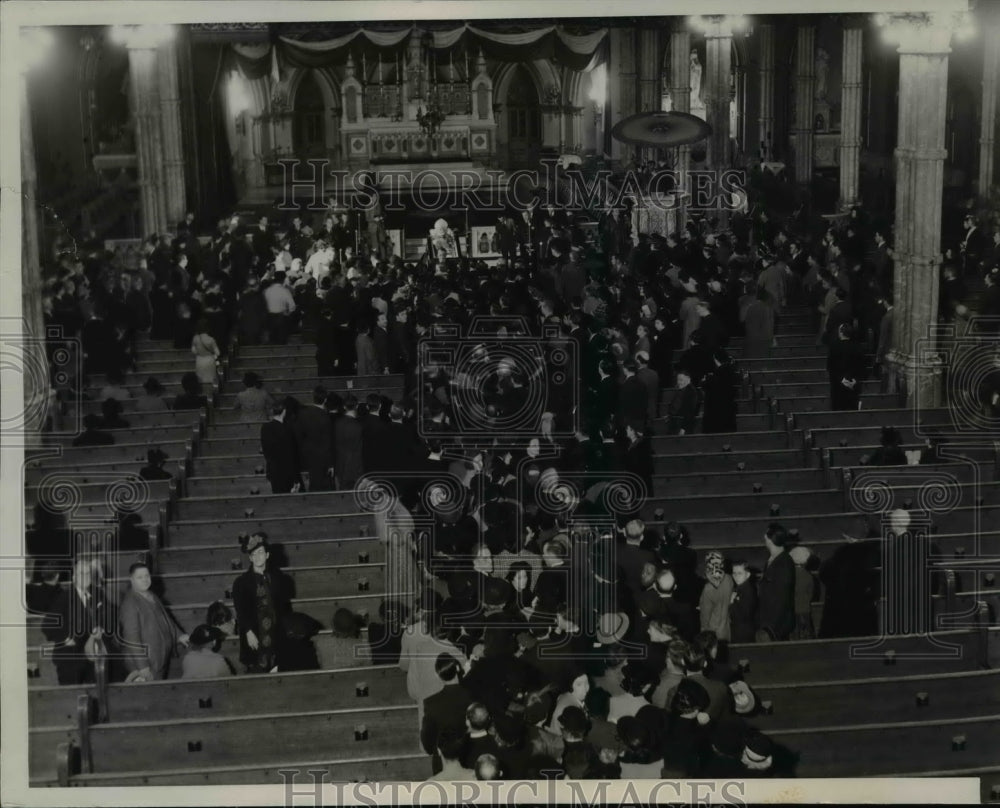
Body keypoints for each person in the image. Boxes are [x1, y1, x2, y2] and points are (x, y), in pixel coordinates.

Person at [41, 555, 112, 685]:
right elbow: (47, 626)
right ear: (74, 578)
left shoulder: (97, 593)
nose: (85, 576)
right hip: (70, 658)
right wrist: (66, 638)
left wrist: (100, 628)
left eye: (88, 573)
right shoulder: (63, 597)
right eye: (81, 573)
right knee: (73, 698)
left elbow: (107, 615)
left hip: (93, 656)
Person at [119, 561, 189, 681]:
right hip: (147, 665)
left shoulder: (151, 595)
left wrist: (179, 636)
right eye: (140, 577)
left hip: (159, 658)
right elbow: (132, 638)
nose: (145, 580)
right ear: (132, 580)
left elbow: (166, 619)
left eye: (147, 576)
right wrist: (143, 667)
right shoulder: (130, 604)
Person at [231, 533, 290, 673]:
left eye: (261, 552)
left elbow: (283, 607)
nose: (258, 556)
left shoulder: (277, 578)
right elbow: (241, 610)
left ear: (267, 555)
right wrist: (248, 631)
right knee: (257, 670)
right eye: (254, 554)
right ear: (250, 558)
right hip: (255, 633)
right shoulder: (241, 582)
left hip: (275, 631)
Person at [421, 654, 473, 774]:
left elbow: (427, 743)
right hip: (469, 758)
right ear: (458, 668)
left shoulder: (430, 703)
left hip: (443, 764)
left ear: (438, 675)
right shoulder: (472, 696)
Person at [756, 524, 795, 642]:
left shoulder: (784, 563)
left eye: (767, 534)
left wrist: (771, 628)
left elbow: (782, 599)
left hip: (775, 625)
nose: (764, 536)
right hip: (769, 620)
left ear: (772, 539)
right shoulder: (774, 558)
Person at [293, 386, 334, 492]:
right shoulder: (325, 417)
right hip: (322, 456)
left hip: (307, 453)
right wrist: (330, 463)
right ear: (325, 400)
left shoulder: (303, 413)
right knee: (322, 485)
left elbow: (298, 435)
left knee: (314, 483)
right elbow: (327, 442)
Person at [261, 402, 301, 494]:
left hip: (273, 470)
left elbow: (266, 451)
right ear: (284, 412)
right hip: (287, 472)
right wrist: (296, 478)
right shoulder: (288, 429)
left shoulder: (265, 427)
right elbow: (292, 454)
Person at [827, 323, 866, 411]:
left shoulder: (834, 347)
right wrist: (854, 381)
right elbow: (862, 367)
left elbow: (830, 366)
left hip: (837, 385)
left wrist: (841, 380)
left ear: (841, 333)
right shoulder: (858, 347)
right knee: (852, 410)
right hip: (853, 384)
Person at [701, 350, 738, 433]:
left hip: (716, 411)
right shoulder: (731, 371)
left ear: (716, 360)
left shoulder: (718, 373)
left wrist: (704, 381)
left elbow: (710, 387)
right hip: (728, 409)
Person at [666, 371, 699, 435]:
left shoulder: (690, 391)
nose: (678, 382)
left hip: (682, 425)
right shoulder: (683, 389)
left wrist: (683, 428)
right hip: (677, 423)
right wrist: (670, 414)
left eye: (681, 380)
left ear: (688, 379)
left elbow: (690, 411)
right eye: (677, 380)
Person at [191, 319, 220, 387]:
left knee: (201, 380)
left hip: (200, 360)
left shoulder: (195, 338)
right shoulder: (211, 339)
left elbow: (193, 351)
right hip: (210, 360)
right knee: (210, 379)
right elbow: (218, 353)